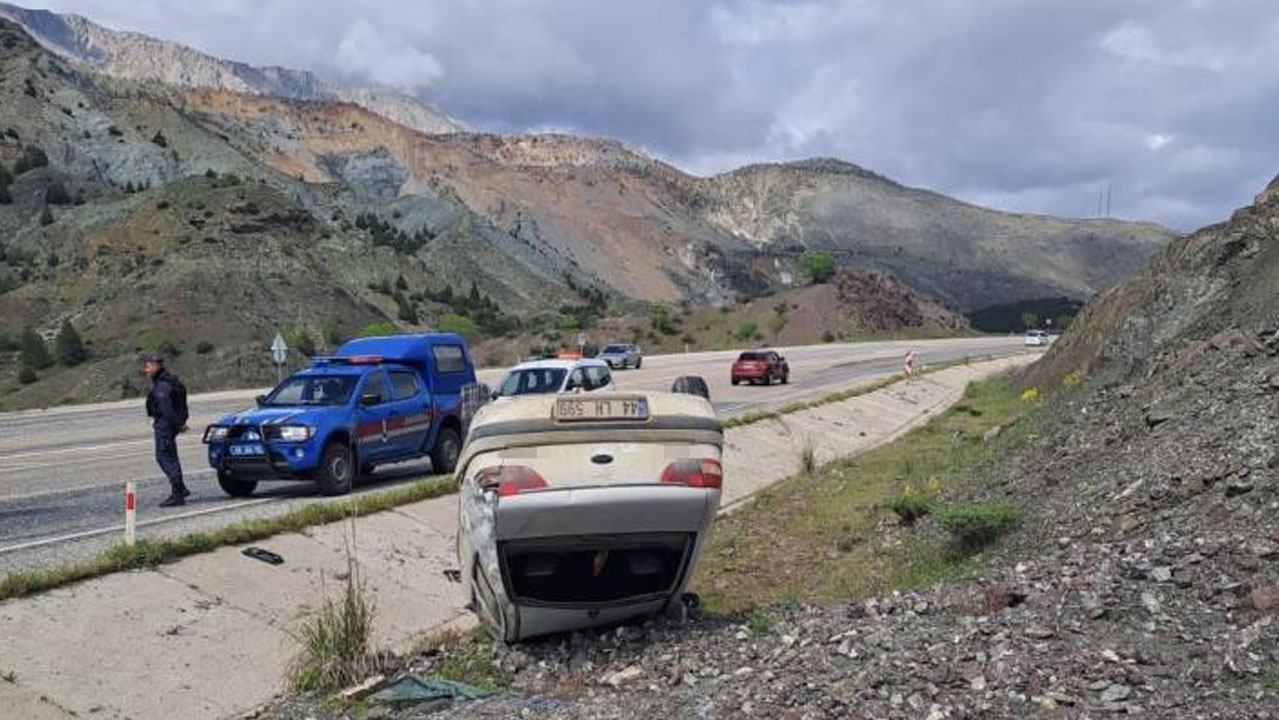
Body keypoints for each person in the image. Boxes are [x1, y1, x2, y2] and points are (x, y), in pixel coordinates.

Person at [142, 353, 190, 507]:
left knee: (164, 457)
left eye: (148, 366)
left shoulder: (163, 385)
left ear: (157, 366)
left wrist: (178, 425)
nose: (146, 370)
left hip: (165, 425)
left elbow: (167, 409)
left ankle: (178, 493)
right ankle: (181, 489)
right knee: (171, 457)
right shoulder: (168, 381)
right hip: (169, 424)